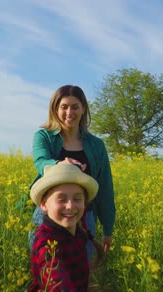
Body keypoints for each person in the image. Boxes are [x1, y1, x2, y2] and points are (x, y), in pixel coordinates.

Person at [30, 85, 116, 258]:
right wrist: (59, 165)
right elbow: (41, 161)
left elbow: (105, 188)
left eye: (75, 107)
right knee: (46, 266)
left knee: (81, 269)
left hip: (84, 213)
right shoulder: (44, 136)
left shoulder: (97, 145)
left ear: (83, 109)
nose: (70, 112)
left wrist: (108, 229)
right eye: (64, 107)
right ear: (55, 109)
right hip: (49, 212)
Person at [23, 162, 107, 292]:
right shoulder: (44, 239)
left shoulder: (78, 229)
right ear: (44, 205)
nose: (70, 206)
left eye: (77, 199)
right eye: (61, 199)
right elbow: (52, 269)